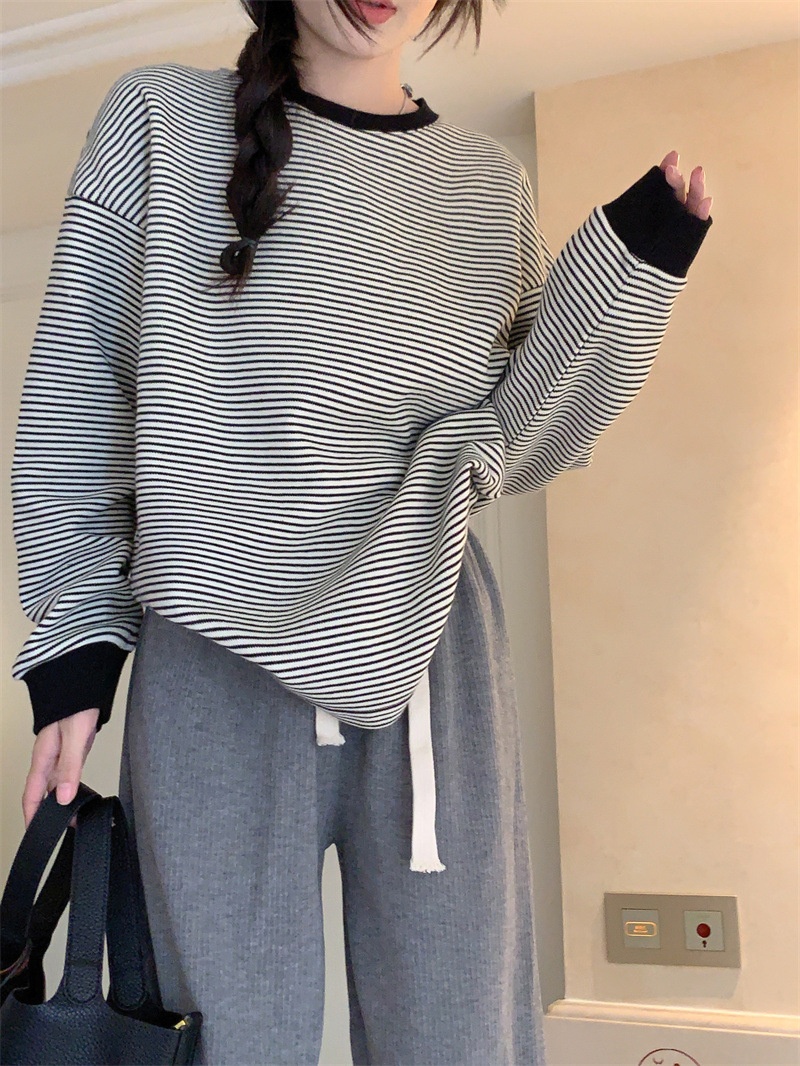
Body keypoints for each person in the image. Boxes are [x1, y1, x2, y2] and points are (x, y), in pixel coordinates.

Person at [12, 0, 713, 1061]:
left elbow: (519, 441)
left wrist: (627, 274)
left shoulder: (485, 185)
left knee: (458, 1036)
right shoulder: (161, 120)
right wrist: (77, 637)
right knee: (220, 1044)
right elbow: (80, 384)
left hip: (431, 649)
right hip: (215, 648)